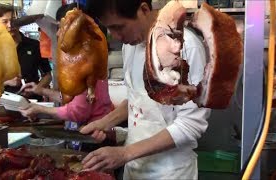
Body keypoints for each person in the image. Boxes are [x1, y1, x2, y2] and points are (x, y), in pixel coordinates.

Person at [79, 0, 211, 179]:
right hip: (134, 168)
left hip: (169, 172)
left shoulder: (184, 47)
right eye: (109, 28)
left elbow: (191, 124)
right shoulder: (130, 46)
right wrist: (105, 122)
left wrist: (125, 154)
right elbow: (137, 99)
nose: (116, 36)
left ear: (144, 10)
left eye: (119, 27)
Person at [19, 3, 114, 127]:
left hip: (96, 133)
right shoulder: (85, 53)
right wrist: (41, 90)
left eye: (62, 27)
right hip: (92, 129)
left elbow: (78, 112)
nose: (58, 33)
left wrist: (39, 109)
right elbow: (73, 97)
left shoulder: (84, 60)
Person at [0, 7, 52, 101]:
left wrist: (36, 89)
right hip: (4, 102)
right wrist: (7, 82)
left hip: (32, 102)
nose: (10, 25)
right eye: (5, 21)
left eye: (14, 21)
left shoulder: (34, 45)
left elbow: (47, 75)